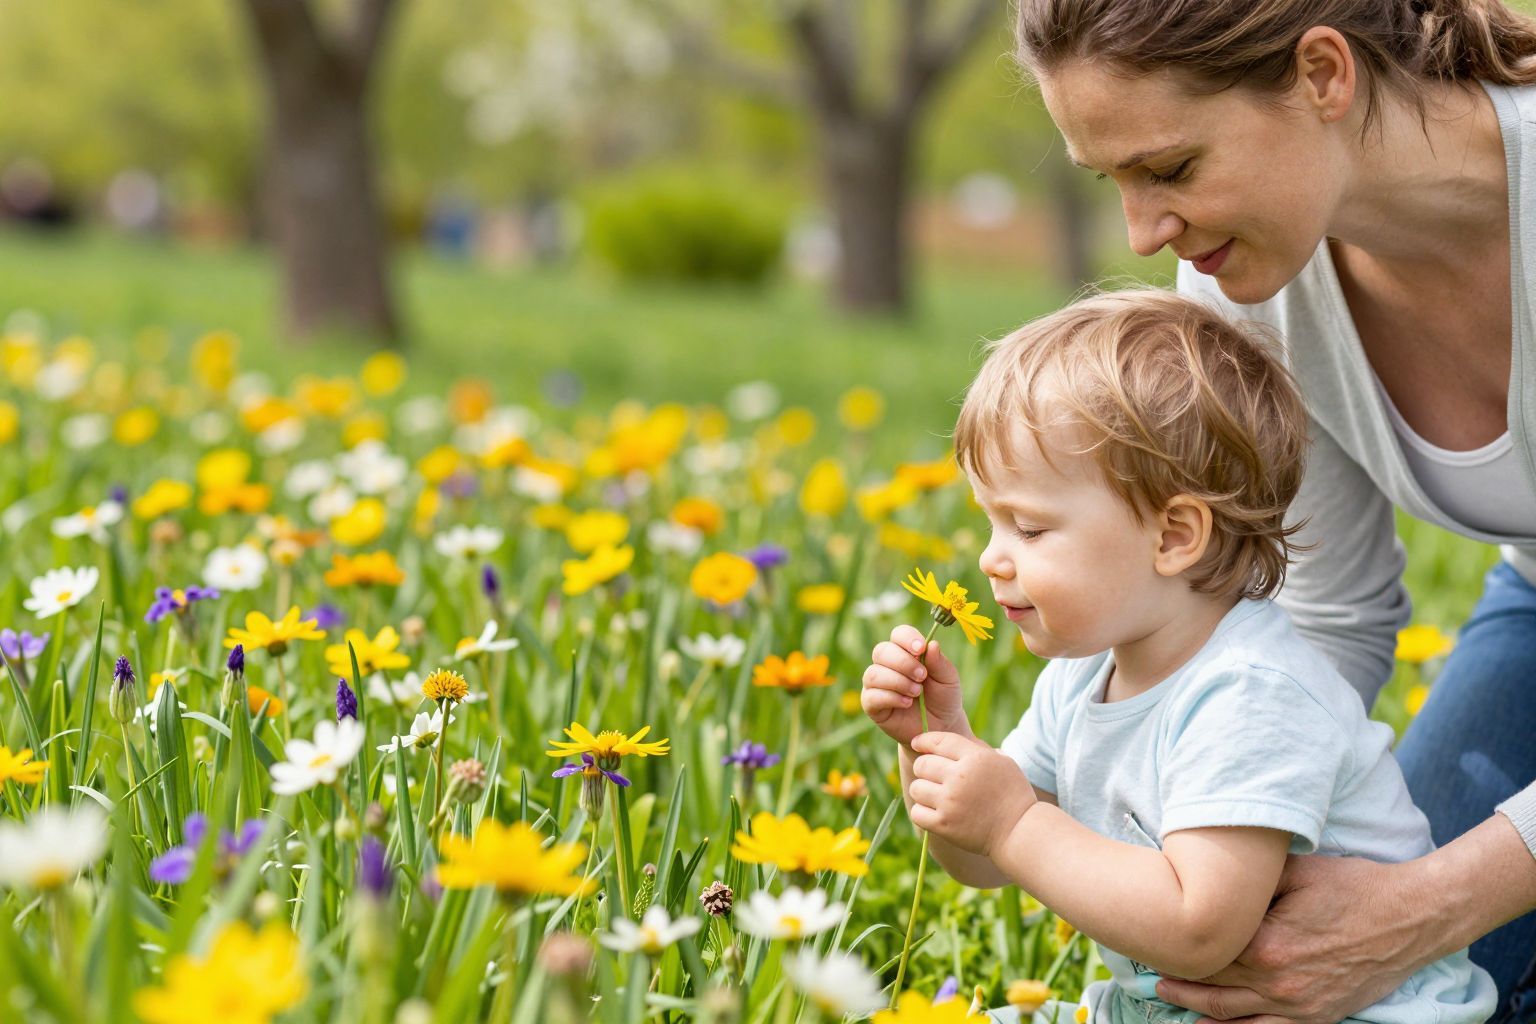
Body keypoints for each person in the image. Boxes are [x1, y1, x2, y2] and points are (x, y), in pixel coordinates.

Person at [1002, 2, 1536, 1021]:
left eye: (1170, 168)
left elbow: (1421, 910)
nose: (1143, 232)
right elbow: (1330, 615)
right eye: (1113, 182)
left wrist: (1425, 906)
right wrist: (1215, 794)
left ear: (1323, 75)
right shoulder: (1248, 285)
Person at [861, 290, 1497, 1023]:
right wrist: (938, 746)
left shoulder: (1252, 694)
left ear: (1173, 537)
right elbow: (982, 863)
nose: (991, 558)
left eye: (1028, 529)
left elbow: (1199, 929)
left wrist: (1013, 823)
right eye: (991, 523)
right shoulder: (1080, 677)